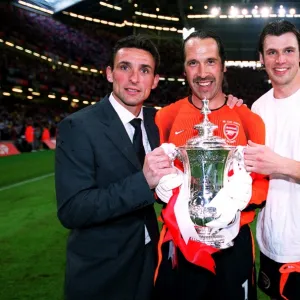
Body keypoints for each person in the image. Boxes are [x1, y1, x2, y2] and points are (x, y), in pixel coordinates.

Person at [55, 35, 176, 300]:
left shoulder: (160, 120)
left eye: (144, 70)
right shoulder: (78, 126)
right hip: (103, 272)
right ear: (109, 74)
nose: (134, 79)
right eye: (125, 67)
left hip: (152, 261)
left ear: (154, 81)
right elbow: (72, 209)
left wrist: (230, 101)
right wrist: (142, 183)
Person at [154, 30, 269, 300]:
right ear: (184, 69)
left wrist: (241, 198)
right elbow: (154, 176)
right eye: (193, 63)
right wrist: (160, 187)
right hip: (180, 243)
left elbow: (263, 182)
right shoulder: (166, 118)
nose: (202, 72)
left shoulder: (247, 118)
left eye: (210, 62)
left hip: (232, 244)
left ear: (223, 66)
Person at [244, 20, 300, 300]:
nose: (281, 60)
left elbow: (271, 163)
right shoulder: (258, 107)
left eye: (288, 50)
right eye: (272, 52)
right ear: (261, 58)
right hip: (269, 243)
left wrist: (278, 164)